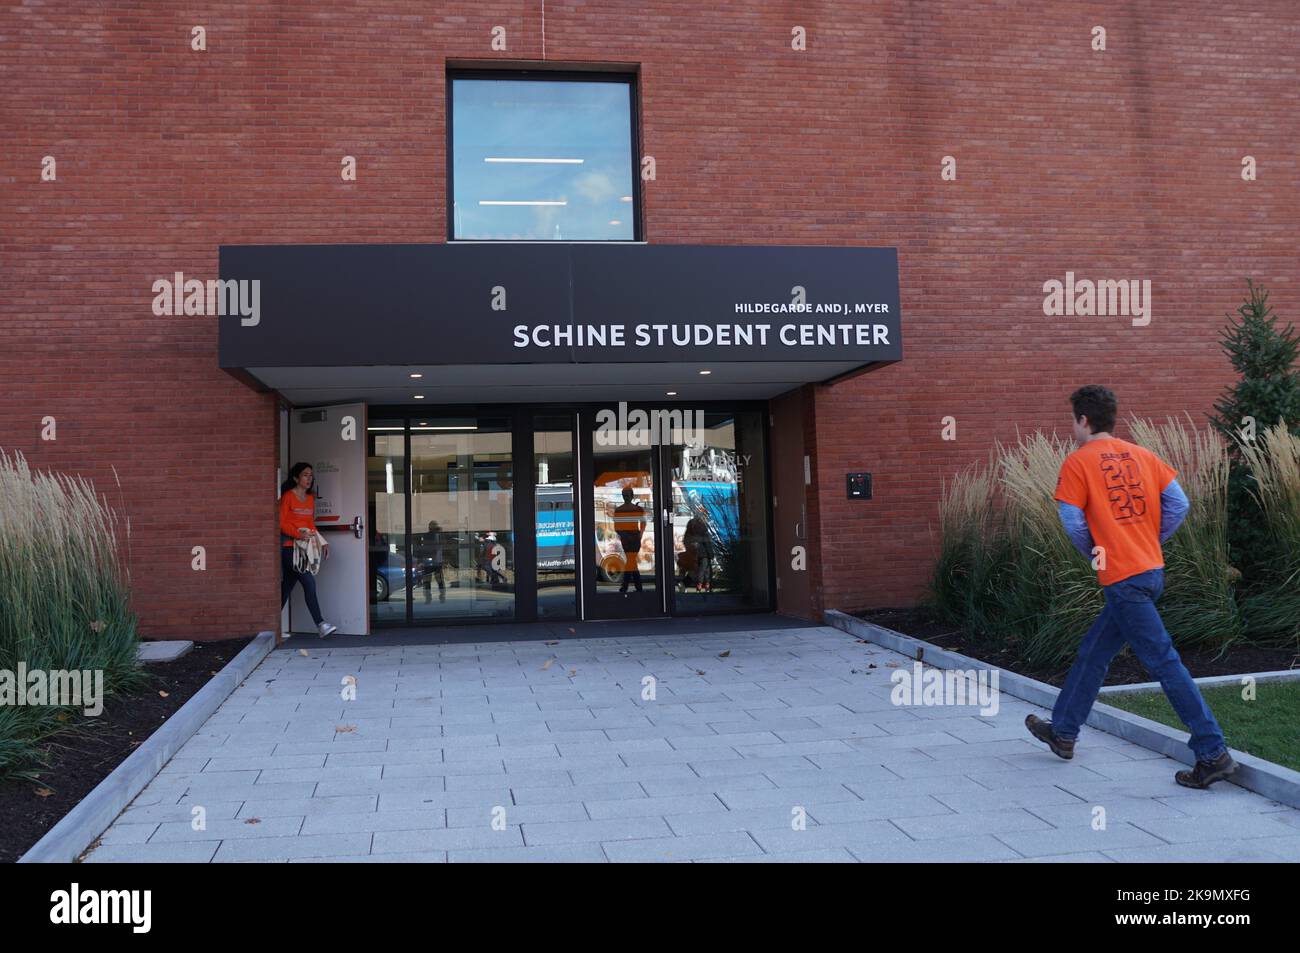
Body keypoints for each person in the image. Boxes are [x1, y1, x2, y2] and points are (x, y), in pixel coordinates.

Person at [1025, 385, 1235, 789]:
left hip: (1122, 579)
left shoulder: (1078, 462)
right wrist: (1149, 541)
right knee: (1093, 652)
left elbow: (1071, 522)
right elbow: (1179, 504)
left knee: (1163, 662)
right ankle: (1063, 732)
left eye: (1073, 420)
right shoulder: (1143, 455)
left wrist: (1097, 553)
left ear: (1084, 420)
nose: (1073, 427)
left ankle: (1212, 752)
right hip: (1150, 571)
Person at [279, 462, 337, 638]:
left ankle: (267, 626)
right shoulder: (288, 497)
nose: (309, 478)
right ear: (296, 478)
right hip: (290, 549)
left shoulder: (310, 498)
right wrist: (297, 534)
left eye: (310, 475)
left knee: (285, 588)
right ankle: (321, 624)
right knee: (308, 582)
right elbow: (280, 523)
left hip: (304, 549)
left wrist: (323, 542)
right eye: (305, 475)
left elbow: (310, 524)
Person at [613, 485, 646, 594]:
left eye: (628, 495)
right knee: (631, 561)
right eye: (624, 495)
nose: (626, 497)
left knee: (630, 561)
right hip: (627, 539)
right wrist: (625, 535)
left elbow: (643, 522)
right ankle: (636, 587)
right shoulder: (619, 510)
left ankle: (626, 587)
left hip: (634, 538)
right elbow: (616, 527)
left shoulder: (637, 509)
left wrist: (640, 534)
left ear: (632, 496)